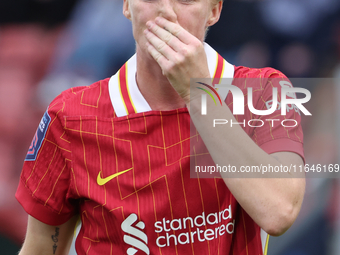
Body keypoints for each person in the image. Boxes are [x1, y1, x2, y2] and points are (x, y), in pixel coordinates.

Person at [16, 0, 306, 254]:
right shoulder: (70, 116)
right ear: (127, 5)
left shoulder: (263, 91)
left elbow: (279, 212)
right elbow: (40, 250)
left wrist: (198, 94)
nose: (166, 12)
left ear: (214, 11)